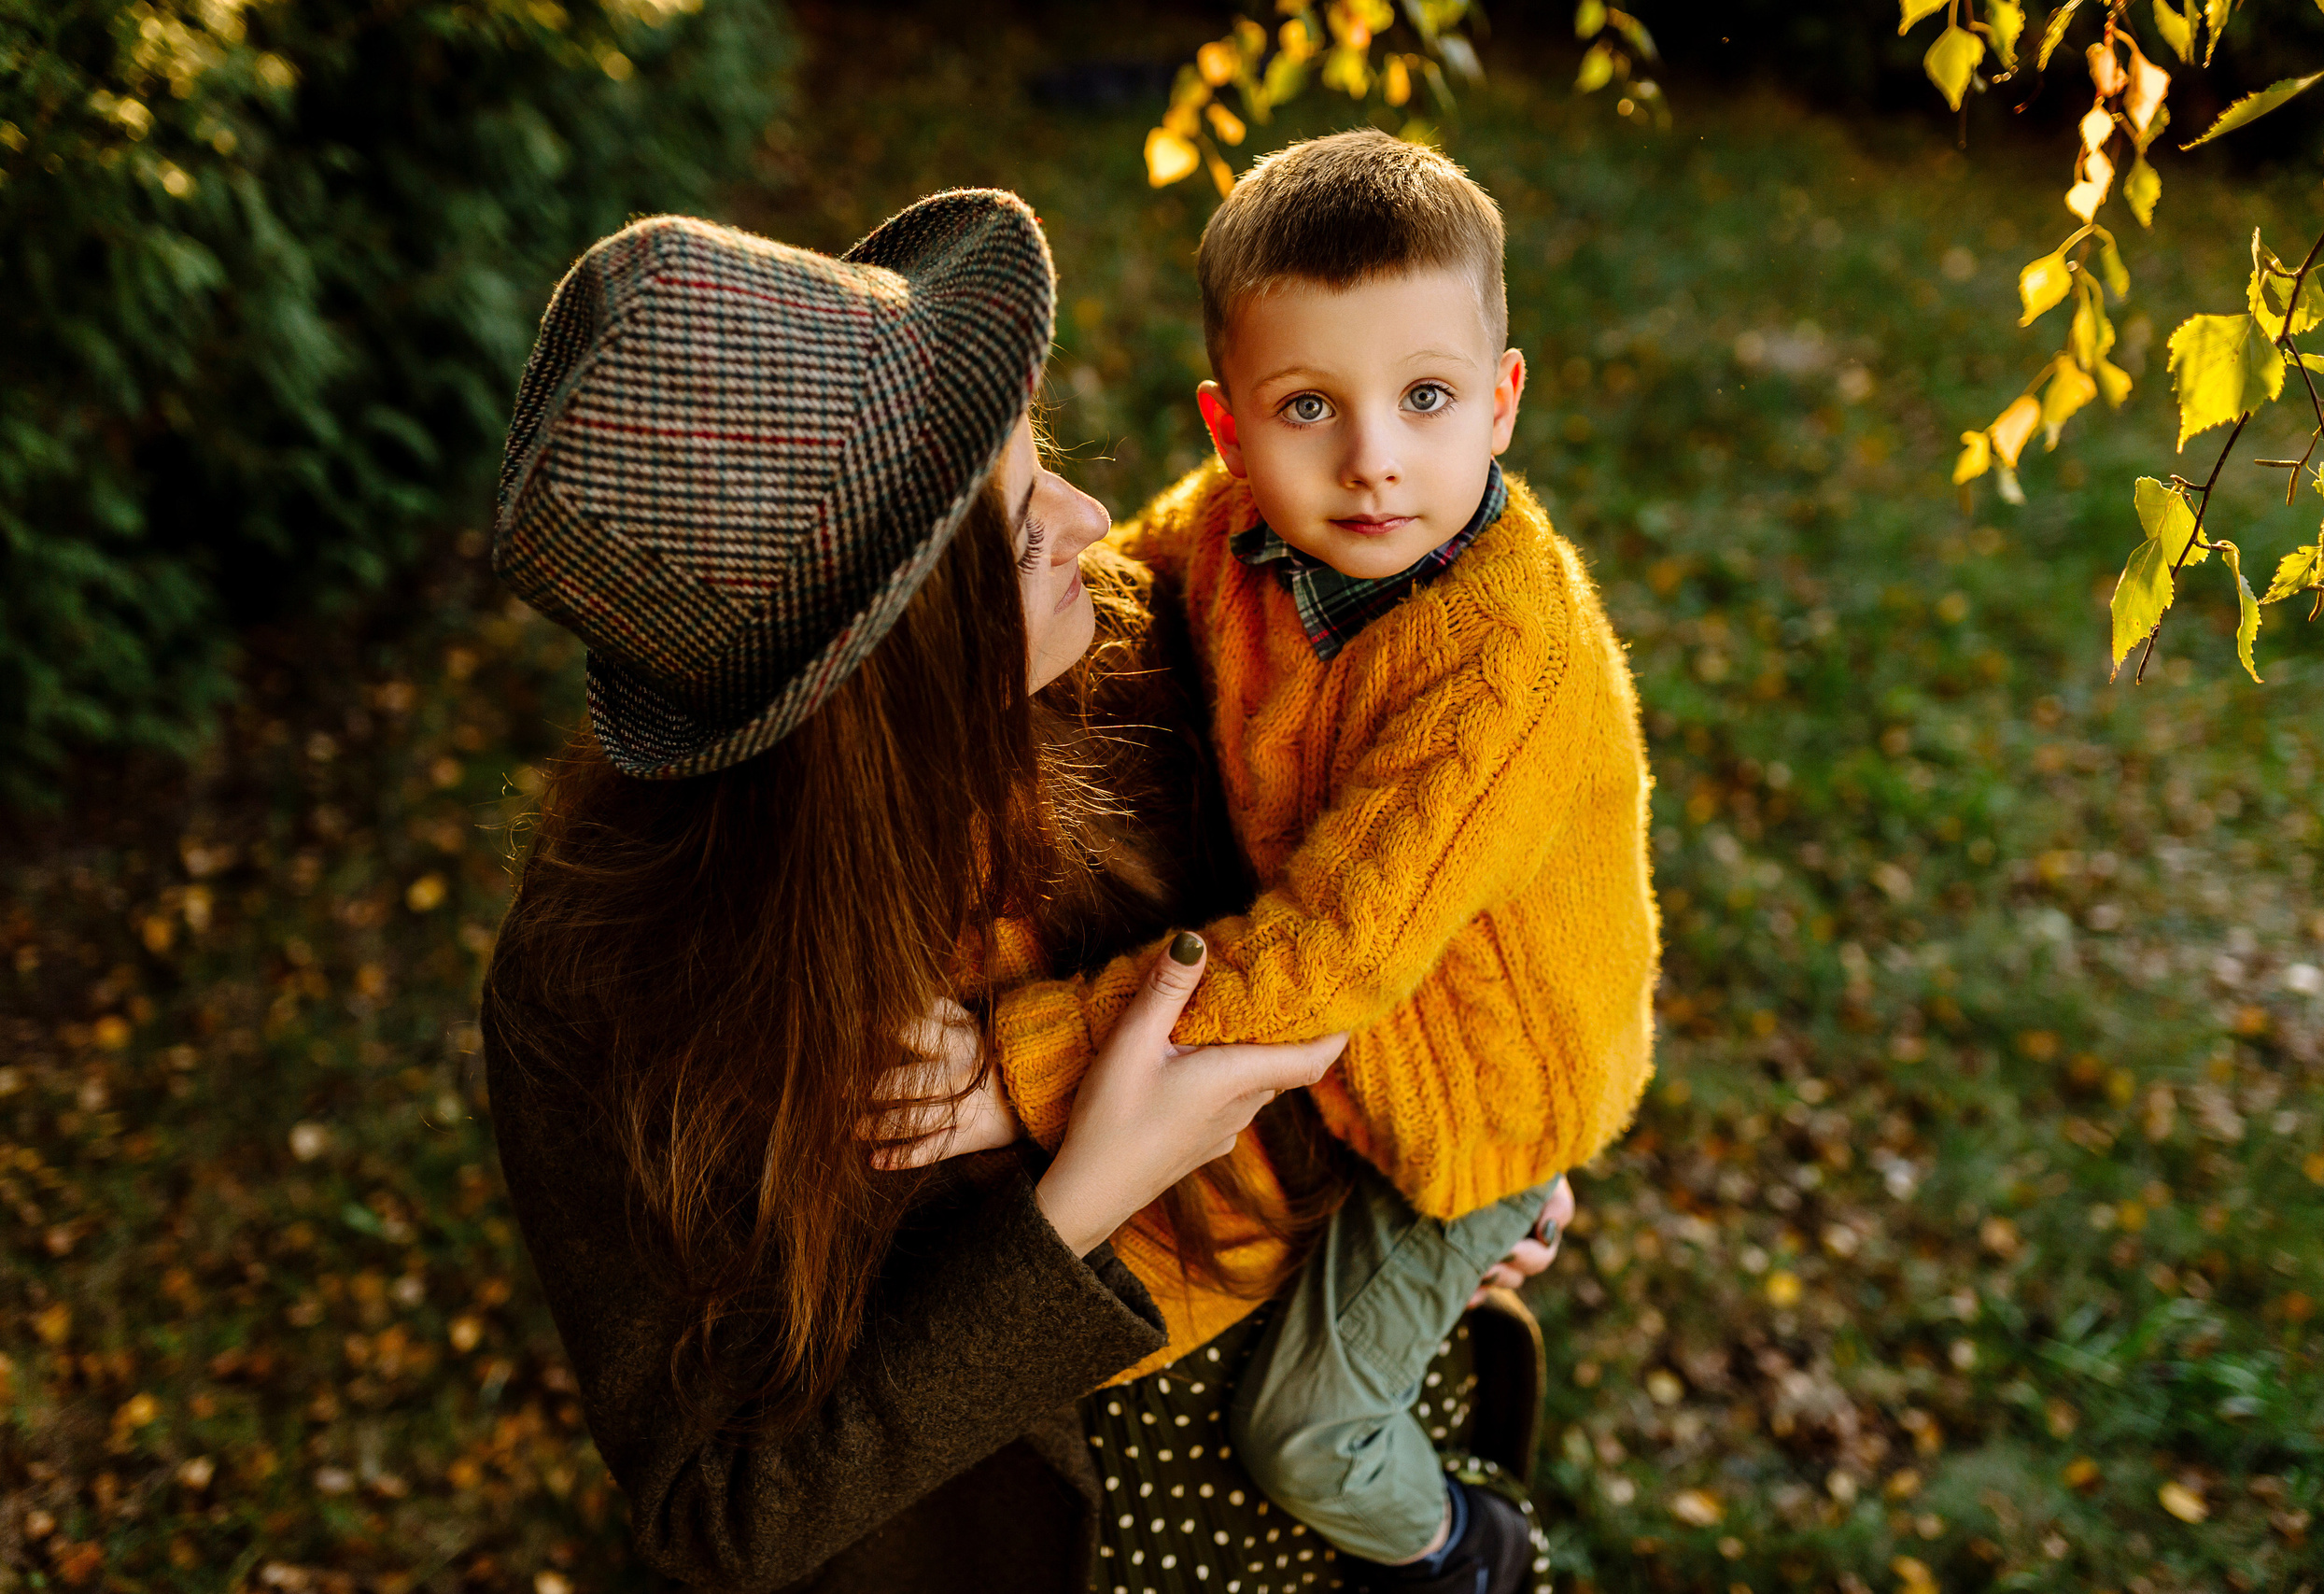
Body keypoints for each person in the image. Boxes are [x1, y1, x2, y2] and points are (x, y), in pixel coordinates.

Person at [475, 190, 1565, 1593]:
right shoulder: (608, 997)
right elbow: (726, 1514)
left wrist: (1472, 1159)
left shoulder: (1145, 653)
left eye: (1032, 454)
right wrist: (1084, 1197)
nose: (1091, 514)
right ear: (880, 666)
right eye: (1012, 527)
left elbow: (1424, 877)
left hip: (1344, 1449)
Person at [957, 132, 1657, 1591]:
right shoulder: (1236, 533)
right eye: (1307, 408)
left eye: (1426, 397)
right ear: (1227, 429)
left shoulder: (1496, 670)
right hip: (1371, 1021)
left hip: (1475, 1105)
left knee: (1309, 1428)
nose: (1374, 459)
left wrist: (1012, 1074)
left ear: (1503, 401)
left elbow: (1325, 960)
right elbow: (1122, 590)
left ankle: (1467, 1551)